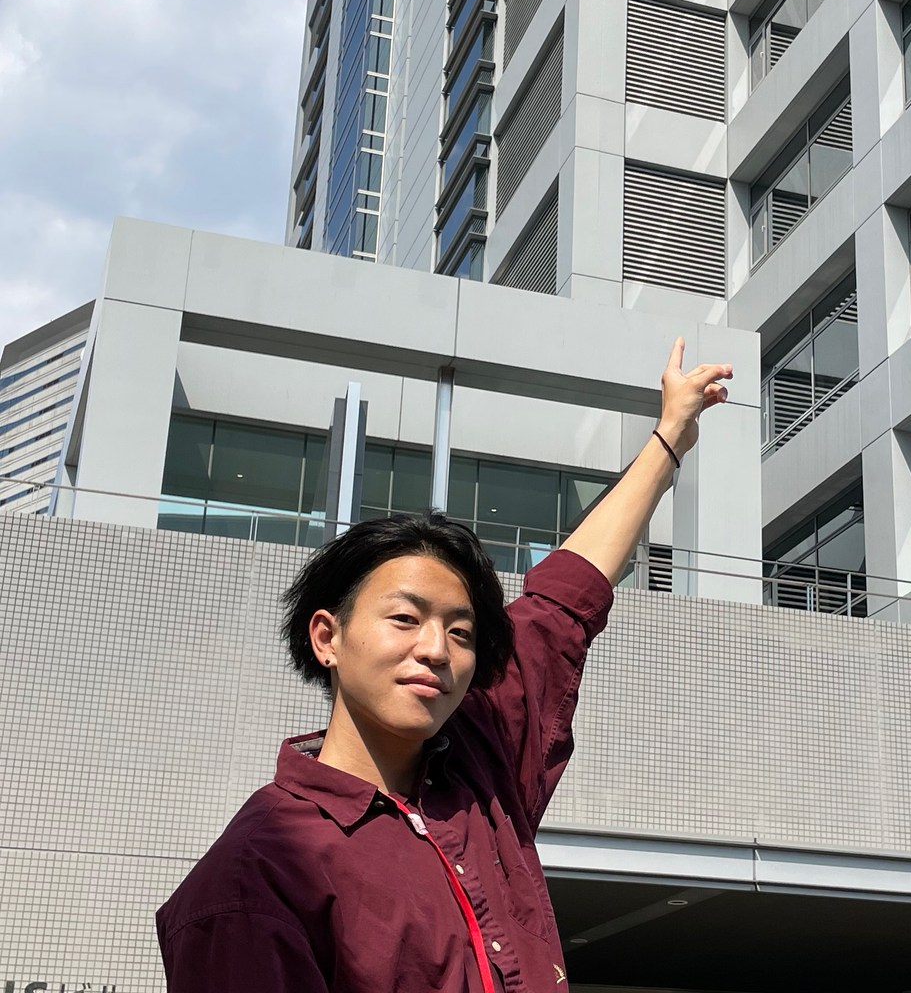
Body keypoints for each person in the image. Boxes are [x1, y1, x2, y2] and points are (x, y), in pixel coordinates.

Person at [155, 337, 731, 992]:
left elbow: (560, 607)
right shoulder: (254, 876)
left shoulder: (483, 763)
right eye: (405, 618)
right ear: (327, 637)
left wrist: (669, 438)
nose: (436, 649)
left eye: (460, 631)